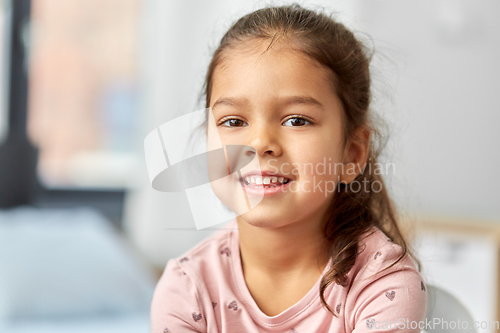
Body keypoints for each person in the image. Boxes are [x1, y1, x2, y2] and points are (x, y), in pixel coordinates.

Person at [150, 4, 427, 333]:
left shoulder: (382, 282)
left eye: (297, 120)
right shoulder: (187, 290)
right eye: (234, 121)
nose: (259, 142)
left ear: (352, 154)